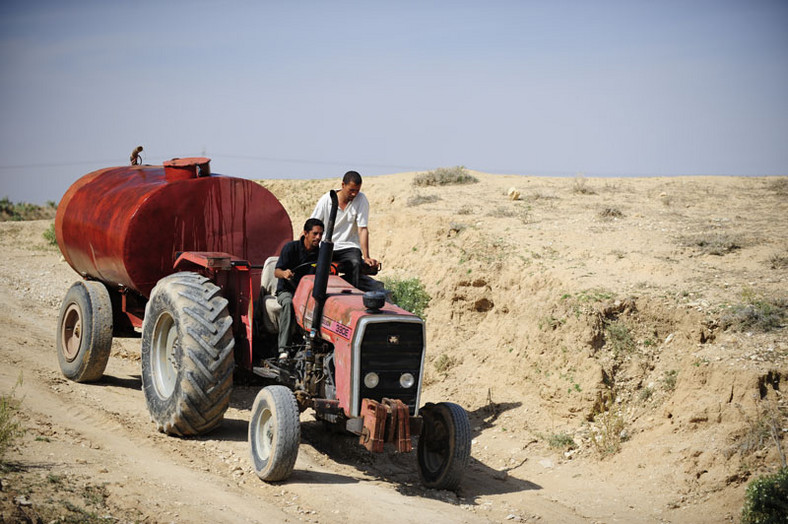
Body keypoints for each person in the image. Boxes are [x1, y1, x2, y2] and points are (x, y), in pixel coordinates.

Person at [310, 170, 377, 288]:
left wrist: (366, 257)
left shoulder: (361, 200)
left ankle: (352, 294)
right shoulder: (327, 199)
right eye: (351, 190)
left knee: (355, 263)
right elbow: (312, 225)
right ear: (343, 185)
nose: (354, 194)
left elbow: (362, 229)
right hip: (326, 245)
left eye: (357, 191)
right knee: (312, 265)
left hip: (348, 246)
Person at [274, 218, 324, 359]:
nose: (318, 237)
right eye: (315, 234)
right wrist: (284, 273)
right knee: (289, 303)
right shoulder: (291, 248)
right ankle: (284, 349)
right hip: (287, 290)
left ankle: (316, 346)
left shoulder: (321, 254)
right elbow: (276, 271)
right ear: (305, 233)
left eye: (320, 234)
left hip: (308, 294)